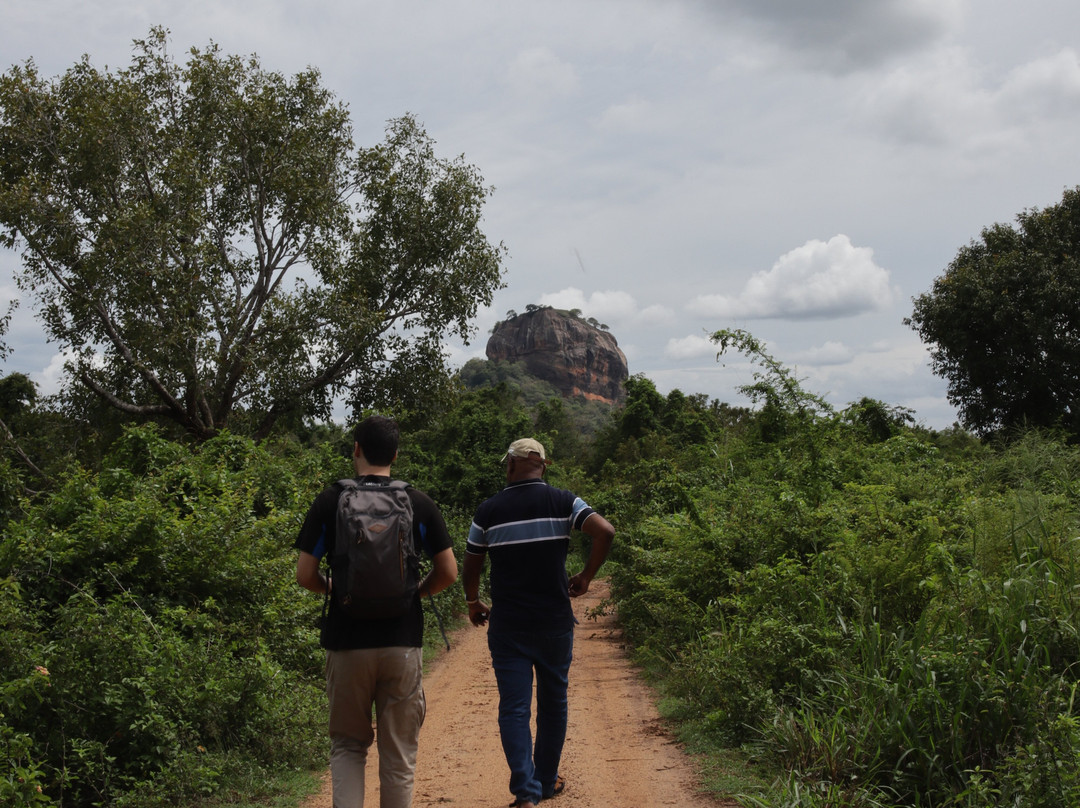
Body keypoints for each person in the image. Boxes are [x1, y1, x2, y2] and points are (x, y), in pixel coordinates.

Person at [295, 415, 458, 808]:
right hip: (401, 643)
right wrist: (411, 595)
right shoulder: (417, 502)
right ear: (396, 454)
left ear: (356, 449)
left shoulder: (331, 500)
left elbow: (305, 575)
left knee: (348, 747)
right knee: (398, 756)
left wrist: (335, 589)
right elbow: (449, 572)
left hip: (346, 642)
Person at [462, 438, 615, 808]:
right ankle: (546, 781)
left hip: (509, 625)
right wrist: (586, 576)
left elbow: (471, 563)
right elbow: (605, 531)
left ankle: (526, 792)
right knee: (553, 703)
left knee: (514, 708)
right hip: (554, 622)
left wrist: (472, 601)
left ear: (511, 466)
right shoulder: (565, 501)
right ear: (542, 466)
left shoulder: (488, 510)